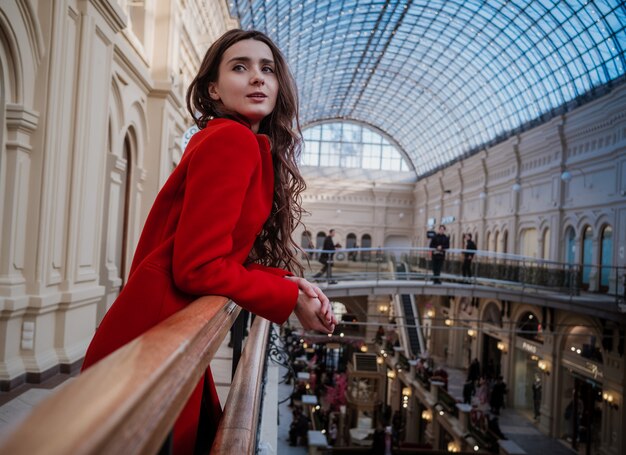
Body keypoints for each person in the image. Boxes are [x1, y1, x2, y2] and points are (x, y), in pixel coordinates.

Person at [80, 29, 337, 455]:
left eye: (267, 69)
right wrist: (286, 297)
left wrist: (289, 283)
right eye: (241, 67)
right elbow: (198, 266)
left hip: (160, 330)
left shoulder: (231, 140)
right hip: (159, 336)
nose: (257, 78)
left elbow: (217, 252)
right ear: (213, 89)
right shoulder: (232, 141)